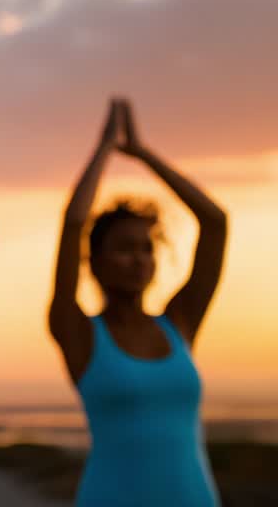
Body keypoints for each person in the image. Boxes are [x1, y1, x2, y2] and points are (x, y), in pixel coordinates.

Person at [49, 98, 227, 506]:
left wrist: (144, 153)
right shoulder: (78, 333)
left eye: (147, 249)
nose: (139, 260)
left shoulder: (179, 323)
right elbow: (73, 222)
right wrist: (104, 149)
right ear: (94, 261)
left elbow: (215, 223)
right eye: (125, 248)